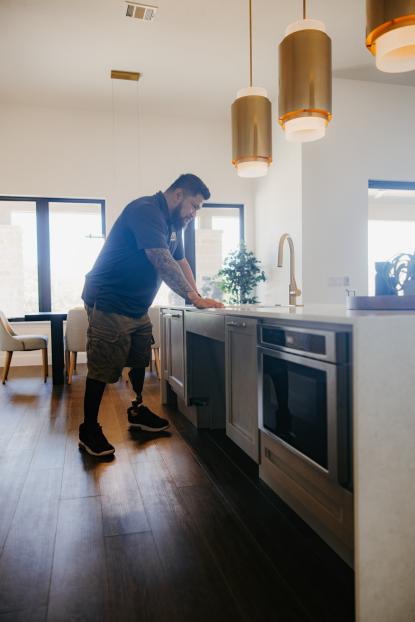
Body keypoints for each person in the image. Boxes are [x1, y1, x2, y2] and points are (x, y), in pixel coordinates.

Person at [79, 174, 224, 457]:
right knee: (103, 366)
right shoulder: (145, 210)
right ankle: (89, 429)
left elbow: (181, 261)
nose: (194, 214)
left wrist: (196, 295)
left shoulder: (175, 224)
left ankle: (137, 410)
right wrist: (194, 297)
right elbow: (160, 258)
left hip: (136, 306)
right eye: (194, 206)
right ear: (178, 194)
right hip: (108, 300)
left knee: (139, 357)